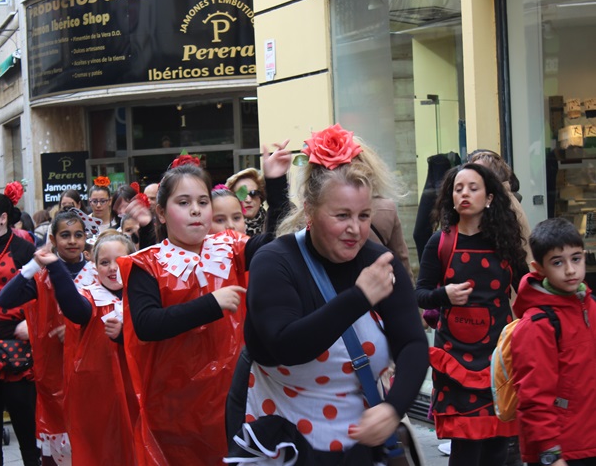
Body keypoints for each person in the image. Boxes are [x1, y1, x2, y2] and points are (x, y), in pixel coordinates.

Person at [230, 124, 428, 465]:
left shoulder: (381, 264)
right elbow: (287, 345)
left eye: (364, 215)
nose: (356, 229)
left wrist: (393, 409)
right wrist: (359, 298)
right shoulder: (275, 262)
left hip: (354, 436)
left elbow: (412, 343)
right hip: (279, 433)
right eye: (342, 216)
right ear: (309, 211)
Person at [118, 141, 291, 465]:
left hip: (238, 393)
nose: (196, 210)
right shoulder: (146, 264)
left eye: (202, 201)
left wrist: (276, 181)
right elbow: (147, 325)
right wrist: (211, 304)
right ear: (160, 211)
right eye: (183, 202)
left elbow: (278, 241)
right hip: (175, 406)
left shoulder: (230, 247)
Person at [416, 162, 528, 466]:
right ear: (451, 197)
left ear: (489, 197)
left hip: (498, 360)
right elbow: (420, 292)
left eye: (473, 188)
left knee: (497, 447)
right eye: (458, 188)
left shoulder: (504, 243)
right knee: (464, 449)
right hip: (455, 360)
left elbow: (527, 287)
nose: (464, 193)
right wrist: (444, 295)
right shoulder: (440, 241)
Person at [0, 210, 98, 466]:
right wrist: (35, 264)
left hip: (93, 374)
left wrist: (77, 331)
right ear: (53, 239)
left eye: (78, 235)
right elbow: (5, 300)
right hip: (54, 377)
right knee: (57, 451)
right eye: (65, 235)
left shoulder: (97, 273)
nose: (73, 241)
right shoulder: (41, 278)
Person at [511, 218, 596, 466]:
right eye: (558, 262)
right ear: (539, 268)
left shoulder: (590, 307)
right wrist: (551, 454)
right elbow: (533, 398)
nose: (570, 270)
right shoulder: (537, 324)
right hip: (563, 451)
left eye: (576, 258)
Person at [0, 187, 40, 466]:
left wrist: (32, 324)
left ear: (2, 218)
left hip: (17, 345)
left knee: (26, 428)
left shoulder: (24, 248)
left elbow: (43, 291)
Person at [60, 234, 137, 466]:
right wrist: (56, 269)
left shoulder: (144, 298)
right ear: (94, 266)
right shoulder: (89, 297)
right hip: (99, 399)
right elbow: (74, 308)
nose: (113, 268)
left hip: (139, 392)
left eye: (120, 260)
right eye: (104, 262)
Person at [226, 168, 267, 236]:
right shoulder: (226, 229)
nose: (248, 200)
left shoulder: (274, 224)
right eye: (241, 194)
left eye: (253, 193)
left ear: (261, 197)